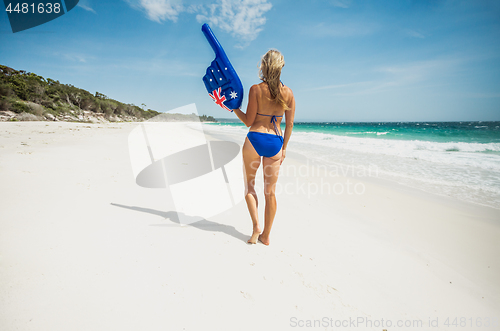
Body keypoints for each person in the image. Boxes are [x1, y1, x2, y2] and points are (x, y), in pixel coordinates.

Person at [233, 49, 295, 245]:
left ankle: (256, 227)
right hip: (275, 143)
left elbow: (249, 121)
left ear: (263, 66)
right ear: (281, 66)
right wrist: (284, 148)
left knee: (249, 186)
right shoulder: (289, 93)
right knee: (271, 192)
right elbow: (290, 124)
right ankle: (266, 235)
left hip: (255, 140)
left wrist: (234, 108)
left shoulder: (256, 89)